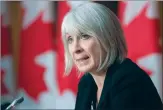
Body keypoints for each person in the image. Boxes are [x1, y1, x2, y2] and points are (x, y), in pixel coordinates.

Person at [61, 2, 163, 110]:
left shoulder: (128, 80)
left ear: (108, 38)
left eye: (85, 36)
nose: (76, 48)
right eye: (70, 39)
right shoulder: (86, 82)